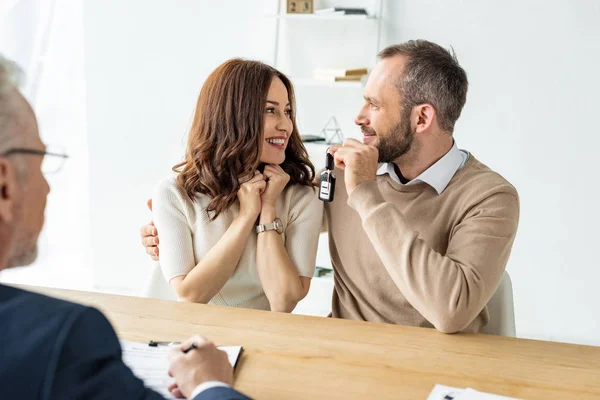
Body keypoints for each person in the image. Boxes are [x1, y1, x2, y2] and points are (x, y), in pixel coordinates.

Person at [142, 40, 520, 334]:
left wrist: (366, 193)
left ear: (422, 117)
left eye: (374, 105)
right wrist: (165, 232)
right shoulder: (339, 176)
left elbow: (450, 311)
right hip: (344, 351)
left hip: (440, 365)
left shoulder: (489, 197)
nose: (358, 118)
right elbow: (287, 214)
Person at [0, 54, 250, 400]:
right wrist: (212, 385)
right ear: (4, 183)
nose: (48, 187)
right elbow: (190, 292)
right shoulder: (66, 338)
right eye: (43, 162)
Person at [148, 59, 323, 312]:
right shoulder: (173, 194)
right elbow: (190, 295)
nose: (286, 125)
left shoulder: (300, 196)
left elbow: (283, 301)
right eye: (270, 110)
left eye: (287, 111)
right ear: (232, 116)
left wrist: (268, 210)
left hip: (263, 337)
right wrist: (245, 216)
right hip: (190, 337)